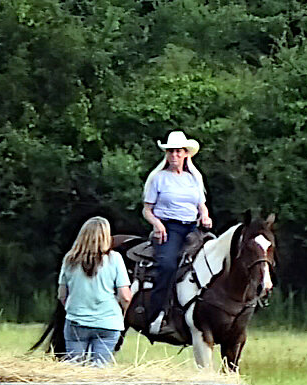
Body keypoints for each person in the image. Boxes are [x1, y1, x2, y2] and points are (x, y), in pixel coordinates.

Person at [141, 130, 212, 335]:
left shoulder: (194, 179)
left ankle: (208, 314)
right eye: (171, 151)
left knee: (213, 260)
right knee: (167, 264)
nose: (174, 155)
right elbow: (147, 209)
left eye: (178, 151)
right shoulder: (158, 178)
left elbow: (201, 205)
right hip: (168, 227)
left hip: (192, 226)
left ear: (186, 154)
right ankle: (155, 316)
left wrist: (205, 217)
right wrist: (157, 224)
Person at [58, 217, 132, 366]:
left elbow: (62, 295)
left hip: (76, 321)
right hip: (108, 322)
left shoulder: (70, 259)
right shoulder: (115, 259)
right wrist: (121, 313)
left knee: (74, 367)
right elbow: (125, 296)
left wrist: (74, 308)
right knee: (100, 369)